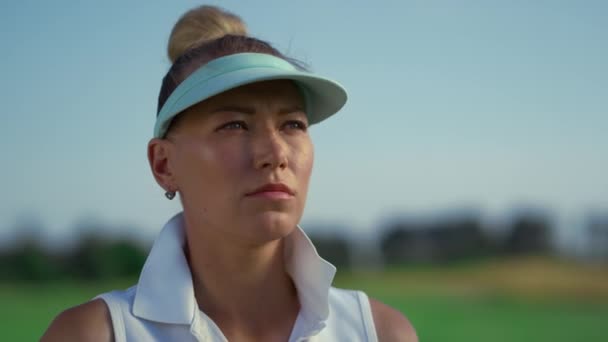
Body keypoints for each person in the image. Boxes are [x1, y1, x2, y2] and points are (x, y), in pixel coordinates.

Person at [42, 5, 417, 342]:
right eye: (235, 125)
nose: (275, 154)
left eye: (293, 124)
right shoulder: (95, 335)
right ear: (163, 164)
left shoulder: (380, 333)